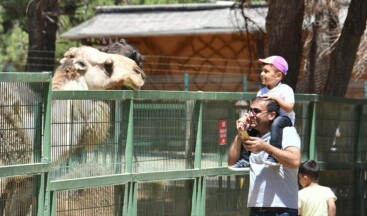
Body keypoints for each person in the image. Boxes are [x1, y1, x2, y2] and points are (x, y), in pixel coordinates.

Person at [228, 96, 301, 216]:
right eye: (250, 110)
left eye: (256, 111)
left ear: (271, 115)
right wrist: (240, 133)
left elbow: (294, 161)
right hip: (256, 209)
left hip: (281, 209)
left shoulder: (287, 131)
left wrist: (266, 147)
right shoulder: (252, 134)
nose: (250, 115)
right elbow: (232, 162)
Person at [229, 55, 295, 171]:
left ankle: (273, 156)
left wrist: (276, 98)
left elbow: (289, 107)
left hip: (284, 119)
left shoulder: (285, 90)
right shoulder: (262, 91)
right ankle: (245, 159)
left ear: (278, 75)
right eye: (262, 71)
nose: (262, 74)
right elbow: (257, 108)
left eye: (266, 71)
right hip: (268, 121)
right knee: (249, 129)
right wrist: (243, 126)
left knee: (277, 123)